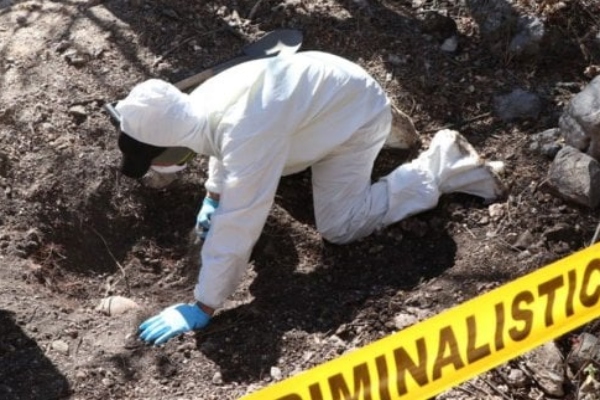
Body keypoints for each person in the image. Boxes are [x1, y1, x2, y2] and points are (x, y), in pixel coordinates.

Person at [115, 51, 505, 345]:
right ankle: (374, 125)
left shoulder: (246, 134)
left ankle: (442, 164)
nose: (154, 169)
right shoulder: (193, 106)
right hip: (329, 92)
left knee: (341, 226)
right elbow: (221, 142)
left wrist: (203, 304)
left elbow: (239, 222)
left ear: (172, 147)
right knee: (262, 166)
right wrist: (214, 195)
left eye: (152, 161)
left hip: (356, 117)